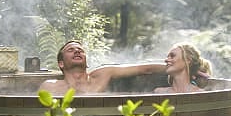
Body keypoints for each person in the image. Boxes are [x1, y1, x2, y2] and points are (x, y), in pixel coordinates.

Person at [38, 40, 166, 95]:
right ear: (61, 63)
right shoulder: (50, 86)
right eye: (71, 50)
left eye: (80, 50)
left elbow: (145, 69)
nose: (77, 51)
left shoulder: (102, 75)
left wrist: (176, 65)